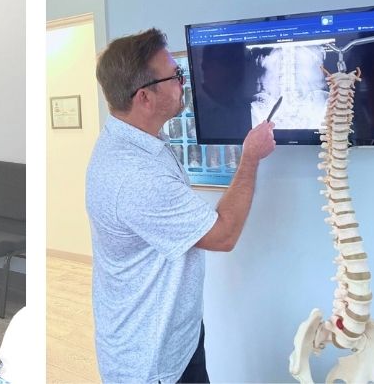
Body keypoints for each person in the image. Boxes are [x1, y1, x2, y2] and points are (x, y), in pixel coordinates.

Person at [86, 28, 276, 383]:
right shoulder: (135, 176)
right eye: (175, 75)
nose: (183, 81)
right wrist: (250, 159)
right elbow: (222, 235)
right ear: (144, 97)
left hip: (174, 336)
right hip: (151, 359)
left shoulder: (132, 141)